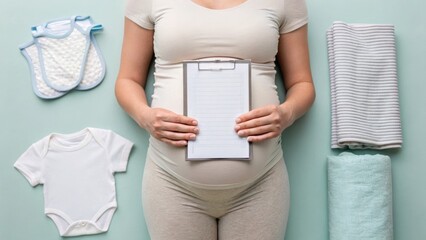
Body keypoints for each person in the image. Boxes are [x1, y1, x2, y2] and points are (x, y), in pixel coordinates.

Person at [115, 0, 315, 239]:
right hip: (172, 182)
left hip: (260, 184)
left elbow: (302, 84)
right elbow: (127, 80)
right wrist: (145, 116)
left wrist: (286, 114)